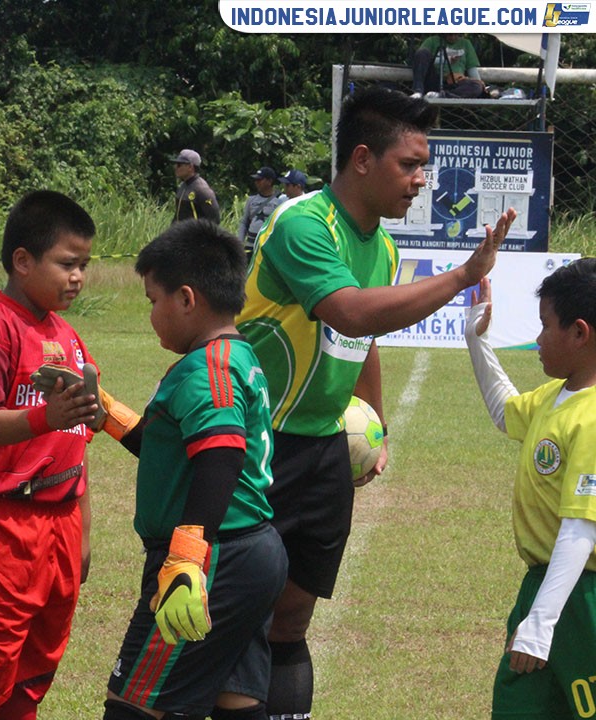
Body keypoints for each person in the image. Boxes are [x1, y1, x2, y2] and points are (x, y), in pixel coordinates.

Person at [234, 86, 516, 720]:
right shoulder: (303, 223)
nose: (421, 180)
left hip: (325, 449)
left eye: (425, 165)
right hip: (259, 445)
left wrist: (378, 427)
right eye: (410, 164)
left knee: (294, 614)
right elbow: (350, 314)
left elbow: (366, 341)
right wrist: (464, 276)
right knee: (240, 608)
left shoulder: (382, 246)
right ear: (362, 158)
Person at [103, 220, 288, 720]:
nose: (151, 314)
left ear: (186, 298)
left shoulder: (209, 366)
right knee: (236, 698)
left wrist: (186, 559)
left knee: (134, 704)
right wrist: (107, 414)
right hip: (247, 550)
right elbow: (181, 451)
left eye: (152, 300)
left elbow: (220, 457)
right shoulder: (237, 354)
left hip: (214, 556)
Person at [0, 190, 100, 720]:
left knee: (30, 681)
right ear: (23, 261)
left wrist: (84, 528)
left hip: (59, 527)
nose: (77, 277)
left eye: (84, 265)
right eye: (67, 264)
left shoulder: (67, 334)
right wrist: (43, 417)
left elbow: (79, 439)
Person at [464, 263, 596, 719]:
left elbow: (581, 528)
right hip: (543, 587)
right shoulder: (558, 395)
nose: (538, 339)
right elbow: (505, 412)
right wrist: (476, 339)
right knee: (520, 705)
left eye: (544, 326)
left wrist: (541, 624)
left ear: (580, 333)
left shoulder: (594, 416)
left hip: (583, 597)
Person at [411, 34, 485, 99]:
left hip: (455, 83)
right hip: (434, 79)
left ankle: (442, 96)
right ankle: (418, 91)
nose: (453, 37)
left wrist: (479, 83)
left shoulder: (466, 43)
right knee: (423, 52)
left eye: (455, 34)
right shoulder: (432, 41)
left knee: (476, 87)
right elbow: (420, 58)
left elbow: (471, 68)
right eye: (450, 34)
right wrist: (446, 60)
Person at [236, 167, 281, 257]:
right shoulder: (251, 200)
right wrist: (239, 242)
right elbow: (244, 222)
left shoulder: (279, 200)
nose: (256, 182)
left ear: (269, 181)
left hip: (268, 245)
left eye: (260, 180)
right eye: (256, 180)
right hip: (250, 245)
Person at [172, 149, 221, 224]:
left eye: (179, 165)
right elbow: (178, 217)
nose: (175, 167)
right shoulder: (182, 186)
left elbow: (215, 220)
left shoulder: (202, 190)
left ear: (190, 167)